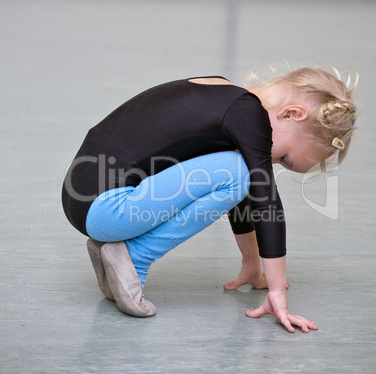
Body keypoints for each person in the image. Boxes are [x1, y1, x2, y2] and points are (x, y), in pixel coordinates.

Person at [61, 66, 358, 333]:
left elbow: (243, 194)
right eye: (284, 157)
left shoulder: (224, 93)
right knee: (244, 172)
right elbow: (264, 197)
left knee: (242, 172)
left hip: (84, 201)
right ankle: (134, 257)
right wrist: (278, 291)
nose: (273, 163)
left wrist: (253, 263)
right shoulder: (247, 113)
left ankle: (117, 252)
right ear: (292, 114)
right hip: (108, 208)